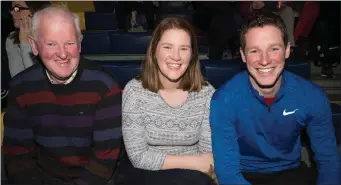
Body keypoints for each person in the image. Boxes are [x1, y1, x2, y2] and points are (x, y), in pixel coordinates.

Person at [210, 12, 340, 185]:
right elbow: (227, 172)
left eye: (274, 49)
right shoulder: (224, 100)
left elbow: (328, 161)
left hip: (290, 172)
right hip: (243, 175)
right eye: (254, 51)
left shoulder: (312, 96)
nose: (265, 60)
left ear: (287, 50)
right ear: (242, 55)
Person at [3, 5, 122, 185]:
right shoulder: (21, 88)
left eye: (69, 43)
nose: (62, 53)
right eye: (51, 44)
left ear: (80, 44)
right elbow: (18, 156)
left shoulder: (104, 86)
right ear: (34, 46)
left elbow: (104, 159)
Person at [120, 17, 216, 185]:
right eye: (167, 47)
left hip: (194, 178)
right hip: (146, 174)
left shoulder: (207, 93)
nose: (176, 57)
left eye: (184, 48)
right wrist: (194, 163)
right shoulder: (134, 91)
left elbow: (207, 153)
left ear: (192, 54)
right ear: (154, 51)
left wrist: (199, 165)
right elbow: (138, 156)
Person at [6, 1, 51, 78]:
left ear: (36, 10)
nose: (12, 13)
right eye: (12, 9)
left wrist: (26, 45)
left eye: (17, 8)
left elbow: (41, 80)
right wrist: (25, 44)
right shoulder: (12, 39)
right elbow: (18, 80)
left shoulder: (54, 36)